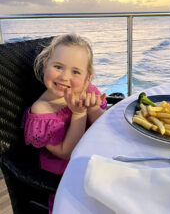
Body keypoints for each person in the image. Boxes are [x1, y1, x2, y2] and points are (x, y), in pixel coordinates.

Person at [22, 33, 107, 213]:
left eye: (75, 71)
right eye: (58, 67)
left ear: (87, 78)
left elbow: (104, 127)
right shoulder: (42, 110)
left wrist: (92, 109)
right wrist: (79, 114)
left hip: (95, 157)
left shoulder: (87, 91)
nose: (64, 77)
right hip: (66, 172)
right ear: (45, 65)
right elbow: (66, 153)